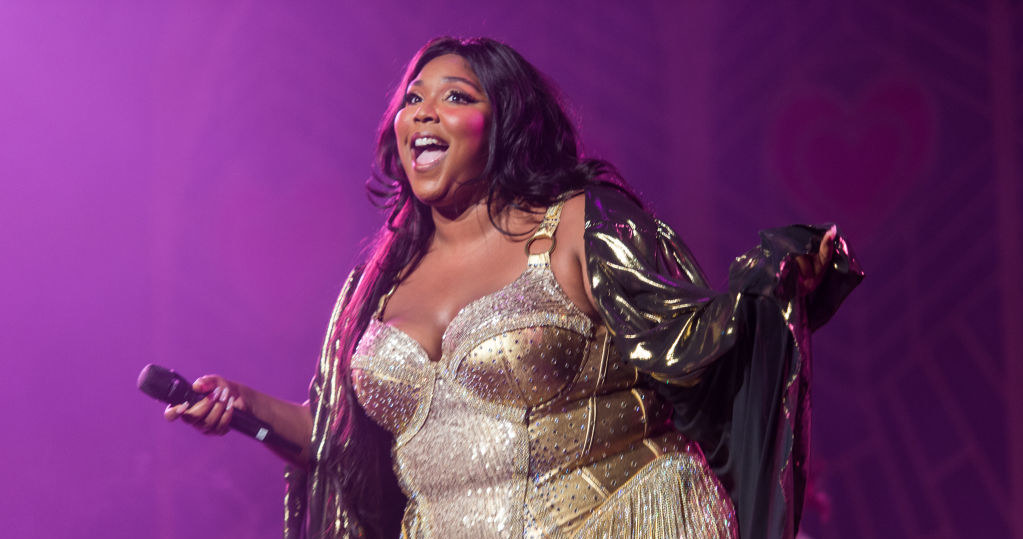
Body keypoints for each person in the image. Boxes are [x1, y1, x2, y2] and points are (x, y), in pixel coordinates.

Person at [164, 37, 862, 539]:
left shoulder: (575, 225)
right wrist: (241, 403)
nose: (424, 113)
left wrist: (777, 277)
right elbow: (338, 442)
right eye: (412, 99)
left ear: (503, 126)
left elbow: (691, 342)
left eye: (455, 97)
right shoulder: (373, 285)